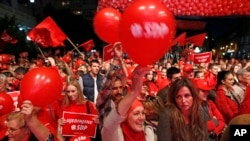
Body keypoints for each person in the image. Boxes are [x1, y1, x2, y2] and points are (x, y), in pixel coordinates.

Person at [101, 66, 151, 141]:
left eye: (143, 113)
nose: (142, 118)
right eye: (136, 113)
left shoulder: (148, 134)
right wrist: (134, 92)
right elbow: (109, 126)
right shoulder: (115, 135)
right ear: (125, 116)